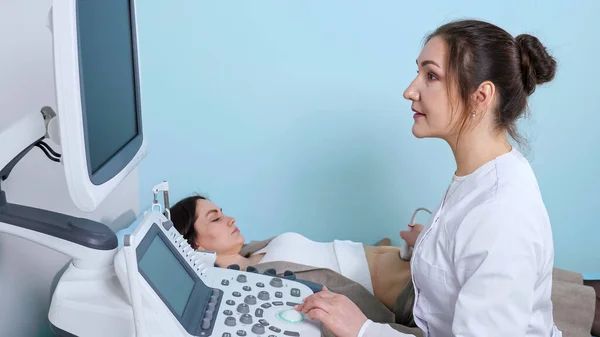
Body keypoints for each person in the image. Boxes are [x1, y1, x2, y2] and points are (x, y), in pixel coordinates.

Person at [295, 19, 562, 337]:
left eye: (431, 75)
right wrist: (434, 246)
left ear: (480, 96)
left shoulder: (501, 213)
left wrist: (362, 330)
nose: (410, 90)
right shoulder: (485, 174)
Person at [169, 194, 423, 311]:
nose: (231, 219)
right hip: (409, 290)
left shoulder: (253, 250)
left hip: (406, 257)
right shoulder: (255, 285)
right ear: (195, 245)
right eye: (216, 219)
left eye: (223, 212)